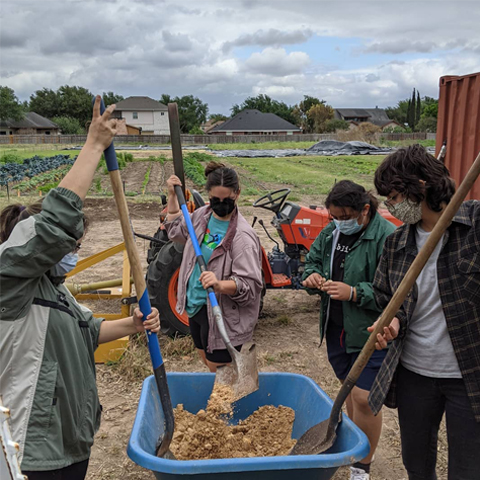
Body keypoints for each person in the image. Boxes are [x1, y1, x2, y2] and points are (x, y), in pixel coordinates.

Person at [0, 96, 160, 480]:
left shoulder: (54, 288)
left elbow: (88, 331)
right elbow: (54, 227)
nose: (74, 252)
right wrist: (93, 147)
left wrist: (134, 325)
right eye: (72, 246)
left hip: (70, 441)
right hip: (33, 448)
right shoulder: (9, 282)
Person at [368, 144, 480, 480]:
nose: (391, 206)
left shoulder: (474, 226)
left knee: (469, 469)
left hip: (469, 374)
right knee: (417, 464)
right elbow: (388, 300)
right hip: (416, 373)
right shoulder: (396, 244)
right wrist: (392, 324)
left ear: (419, 184)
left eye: (393, 196)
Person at [302, 180, 396, 480]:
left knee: (364, 399)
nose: (340, 223)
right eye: (335, 217)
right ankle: (356, 448)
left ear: (364, 210)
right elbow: (312, 261)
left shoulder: (387, 238)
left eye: (345, 217)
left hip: (371, 331)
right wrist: (312, 276)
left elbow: (394, 290)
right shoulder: (331, 232)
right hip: (338, 327)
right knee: (351, 391)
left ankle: (361, 467)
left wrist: (354, 292)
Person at [164, 162, 263, 372]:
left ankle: (232, 404)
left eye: (226, 200)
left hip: (222, 315)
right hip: (197, 308)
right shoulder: (201, 216)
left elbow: (251, 287)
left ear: (237, 194)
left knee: (222, 374)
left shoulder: (243, 238)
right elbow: (174, 230)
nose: (220, 204)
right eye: (214, 199)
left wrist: (220, 284)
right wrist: (172, 196)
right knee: (209, 364)